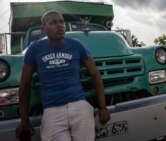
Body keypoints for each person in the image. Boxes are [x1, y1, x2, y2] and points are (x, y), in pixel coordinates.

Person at [16, 10, 110, 141]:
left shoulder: (77, 45)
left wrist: (103, 107)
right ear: (43, 29)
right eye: (53, 22)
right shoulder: (34, 49)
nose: (59, 25)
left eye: (61, 21)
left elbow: (95, 74)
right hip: (52, 110)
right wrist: (24, 121)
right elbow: (25, 85)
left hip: (79, 105)